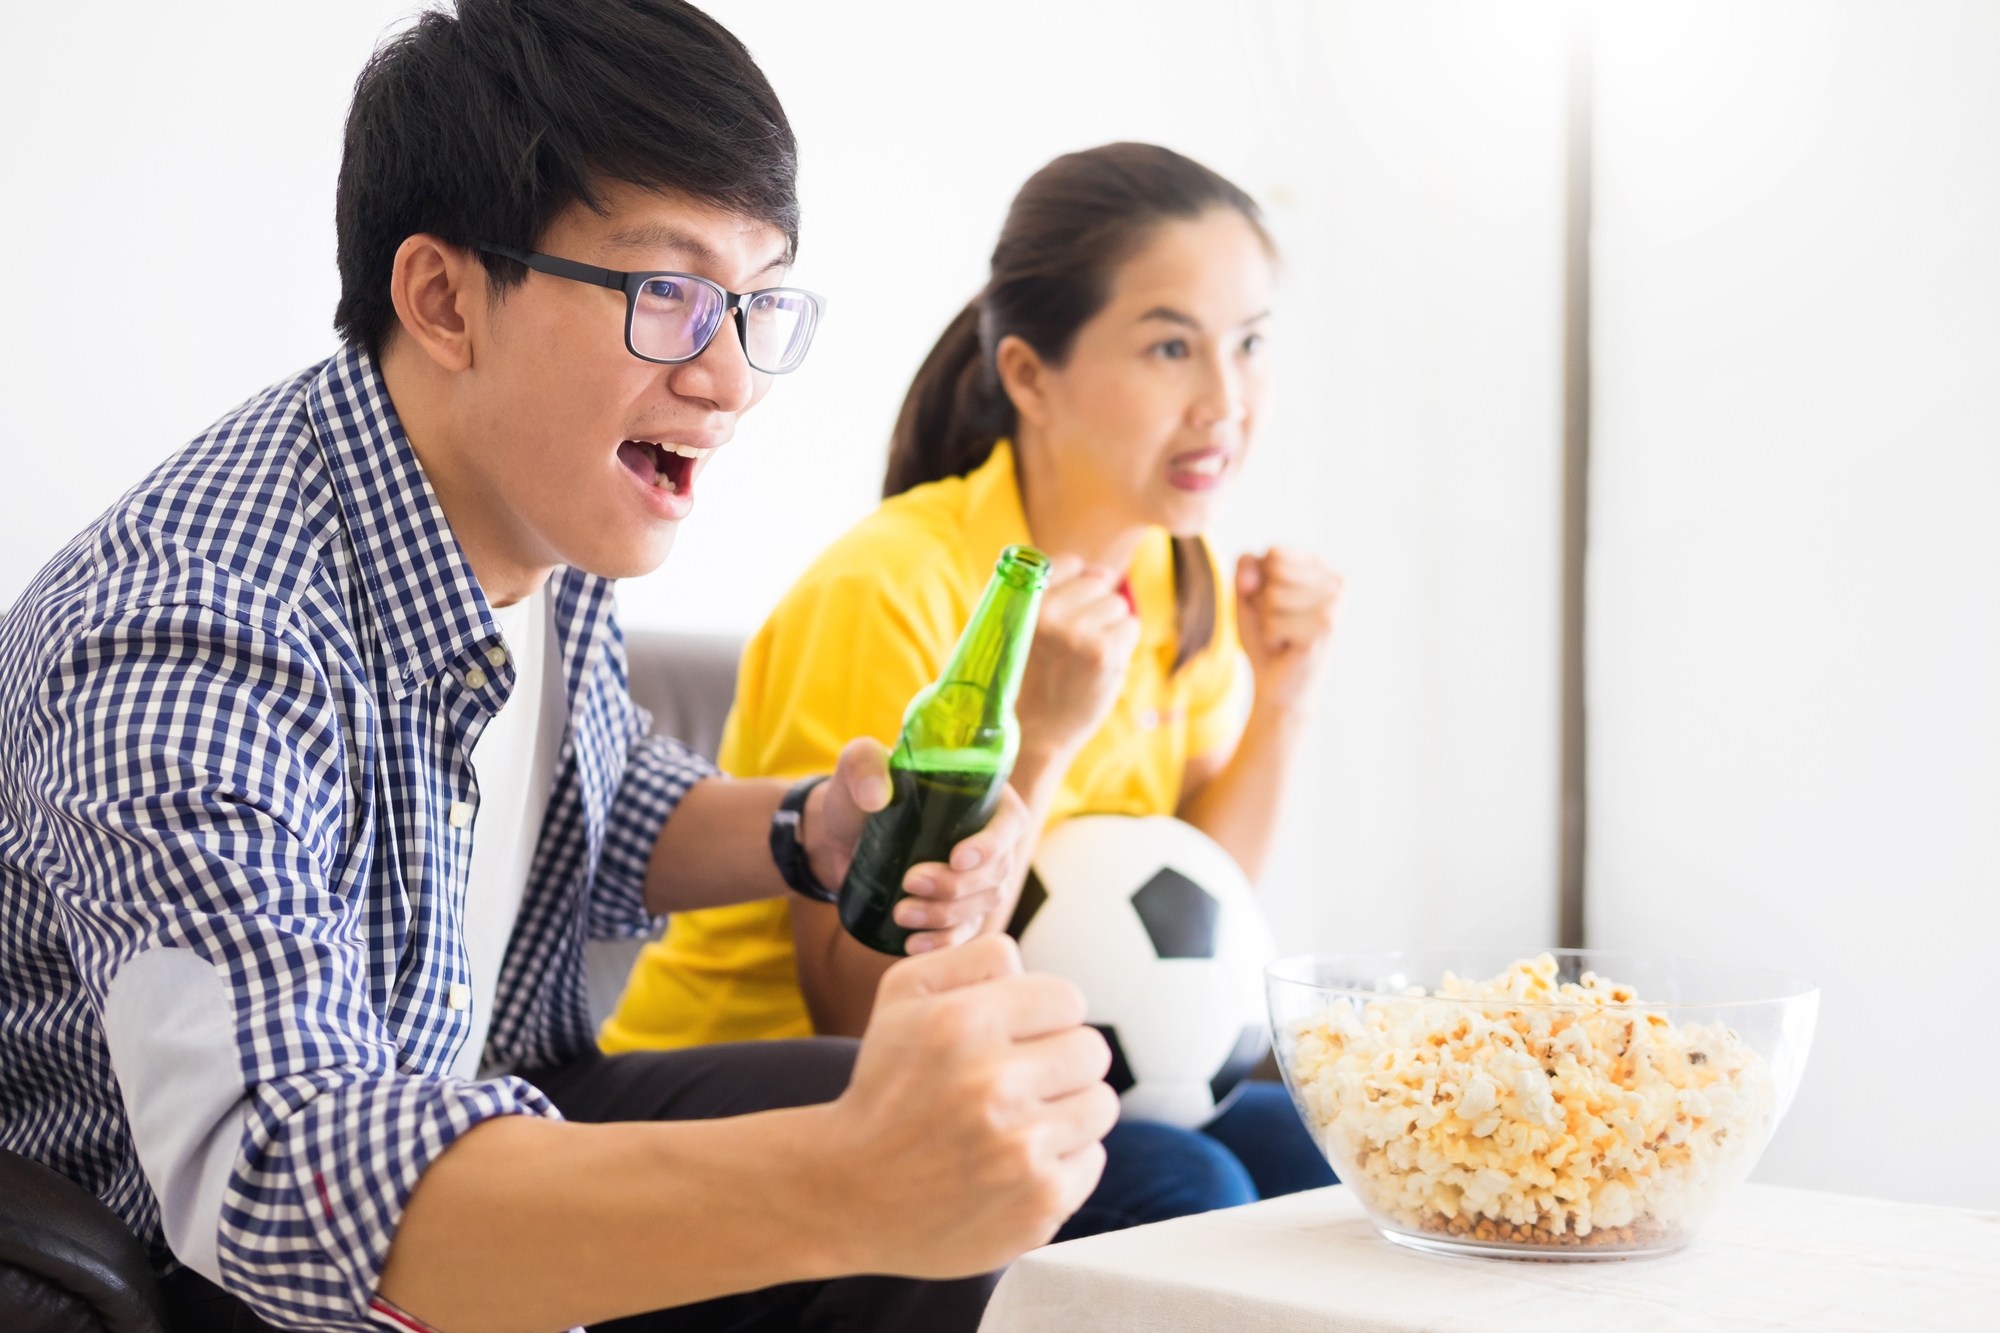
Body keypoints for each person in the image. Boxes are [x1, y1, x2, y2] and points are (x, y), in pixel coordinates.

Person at [0, 4, 1120, 1332]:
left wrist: (807, 828)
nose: (730, 377)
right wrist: (843, 1183)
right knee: (870, 1171)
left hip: (482, 1089)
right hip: (216, 1262)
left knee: (946, 1166)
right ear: (443, 298)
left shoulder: (539, 509)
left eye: (757, 303)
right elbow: (277, 1170)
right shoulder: (188, 626)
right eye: (670, 295)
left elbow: (601, 806)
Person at [602, 143, 1346, 1230]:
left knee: (1324, 1153)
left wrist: (1282, 694)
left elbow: (1193, 912)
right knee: (1195, 1193)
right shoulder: (890, 588)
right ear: (1030, 376)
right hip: (774, 1085)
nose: (1222, 402)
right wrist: (1035, 744)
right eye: (1170, 347)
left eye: (1248, 345)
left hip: (1031, 1057)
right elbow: (856, 1007)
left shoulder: (1171, 570)